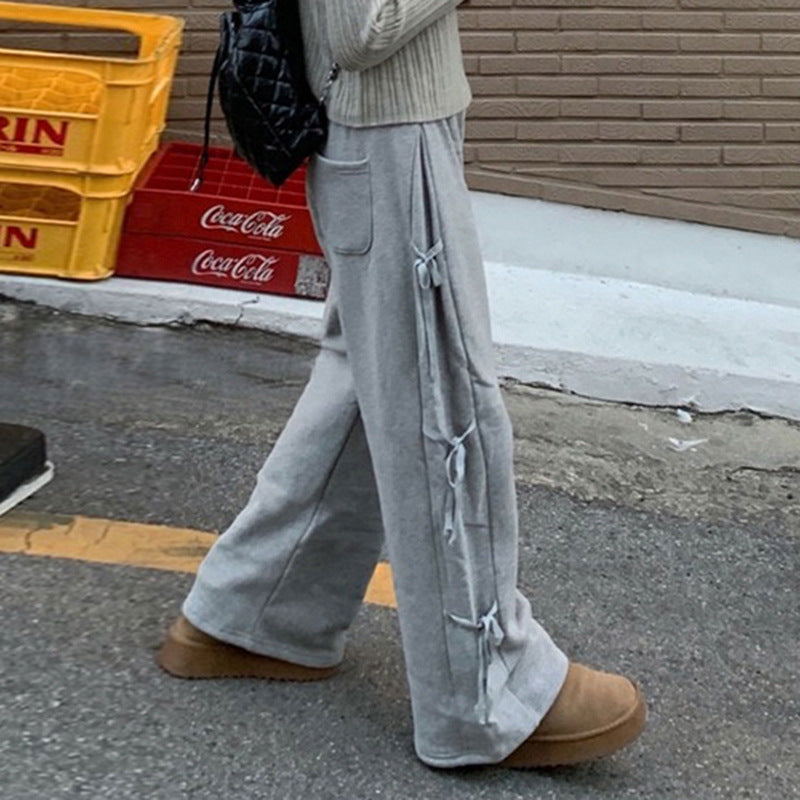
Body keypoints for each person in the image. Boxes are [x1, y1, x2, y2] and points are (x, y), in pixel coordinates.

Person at [156, 0, 647, 768]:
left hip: (388, 133)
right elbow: (366, 27)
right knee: (443, 409)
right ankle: (483, 697)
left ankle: (255, 611)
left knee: (371, 384)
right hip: (388, 138)